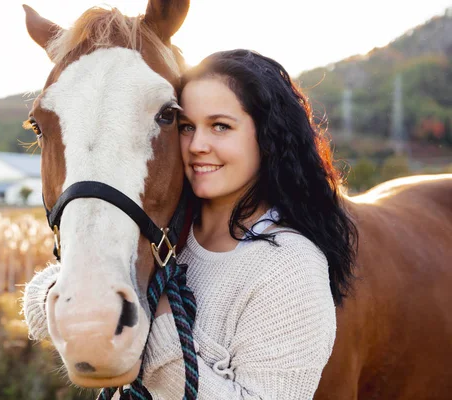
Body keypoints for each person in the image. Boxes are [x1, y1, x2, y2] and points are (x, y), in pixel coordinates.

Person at [24, 49, 358, 399]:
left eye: (220, 126)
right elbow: (54, 295)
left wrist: (162, 329)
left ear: (267, 136)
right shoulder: (167, 236)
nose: (198, 145)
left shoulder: (290, 267)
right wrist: (60, 293)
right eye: (186, 127)